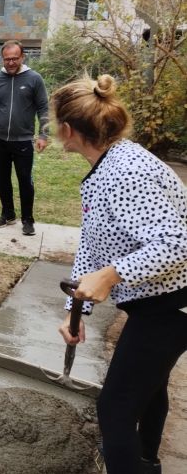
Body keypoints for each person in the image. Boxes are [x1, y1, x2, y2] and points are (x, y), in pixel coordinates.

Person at [52, 74, 186, 474]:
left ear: (67, 129)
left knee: (115, 408)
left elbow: (177, 244)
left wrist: (112, 275)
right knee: (148, 387)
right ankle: (147, 461)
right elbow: (93, 244)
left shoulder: (127, 171)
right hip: (157, 305)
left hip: (173, 305)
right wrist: (74, 310)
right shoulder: (107, 164)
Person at [0, 40, 49, 236]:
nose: (11, 62)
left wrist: (43, 134)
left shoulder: (34, 79)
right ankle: (8, 214)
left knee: (25, 180)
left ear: (22, 57)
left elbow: (43, 108)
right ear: (3, 59)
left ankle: (28, 219)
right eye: (8, 59)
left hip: (23, 141)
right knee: (2, 179)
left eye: (15, 58)